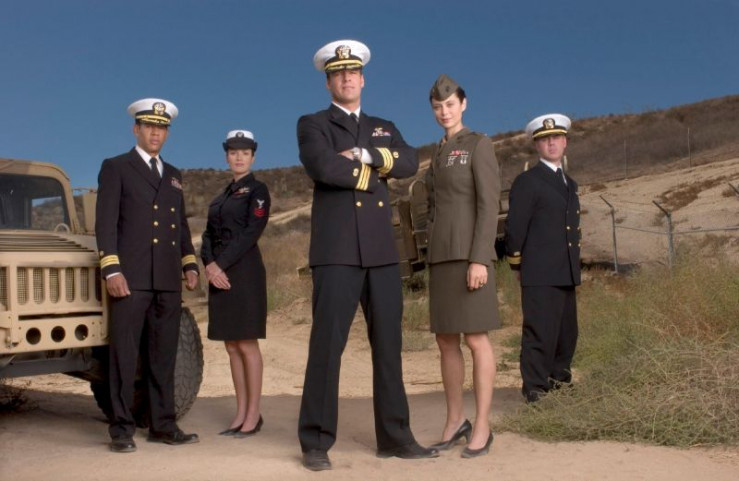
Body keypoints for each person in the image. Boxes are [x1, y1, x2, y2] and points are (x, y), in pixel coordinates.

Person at [296, 39, 438, 471]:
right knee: (327, 347)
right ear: (328, 83)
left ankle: (394, 436)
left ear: (363, 79)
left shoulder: (382, 126)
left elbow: (410, 161)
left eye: (353, 72)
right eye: (338, 74)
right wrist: (375, 174)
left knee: (389, 347)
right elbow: (323, 167)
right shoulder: (313, 124)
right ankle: (315, 441)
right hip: (336, 251)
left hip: (380, 252)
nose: (347, 78)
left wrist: (365, 155)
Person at [96, 98, 200, 453]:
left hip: (167, 280)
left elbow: (180, 224)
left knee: (163, 356)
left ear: (167, 133)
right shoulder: (116, 167)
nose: (156, 133)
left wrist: (189, 263)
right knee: (124, 356)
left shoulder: (173, 174)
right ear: (136, 129)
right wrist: (112, 268)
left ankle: (163, 425)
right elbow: (105, 223)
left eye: (162, 128)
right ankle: (121, 429)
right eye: (150, 127)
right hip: (131, 277)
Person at [425, 74, 501, 458]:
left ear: (463, 104)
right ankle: (455, 420)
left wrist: (480, 258)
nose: (444, 112)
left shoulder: (478, 144)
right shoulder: (437, 152)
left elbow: (489, 205)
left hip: (470, 256)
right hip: (440, 256)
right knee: (445, 340)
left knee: (476, 339)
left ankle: (483, 425)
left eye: (450, 104)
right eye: (438, 107)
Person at [504, 113, 581, 403]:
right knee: (540, 332)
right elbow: (515, 227)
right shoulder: (528, 181)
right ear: (537, 145)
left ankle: (559, 381)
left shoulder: (569, 183)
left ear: (565, 142)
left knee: (566, 333)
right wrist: (517, 263)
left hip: (565, 270)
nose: (552, 143)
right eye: (545, 139)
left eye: (556, 137)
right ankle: (535, 387)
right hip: (539, 270)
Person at [201, 130, 270, 438]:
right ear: (226, 156)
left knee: (246, 343)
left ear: (253, 157)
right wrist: (208, 264)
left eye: (244, 152)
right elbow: (207, 235)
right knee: (231, 345)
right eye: (233, 152)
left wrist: (220, 264)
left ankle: (253, 414)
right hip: (218, 273)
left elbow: (251, 233)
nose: (239, 157)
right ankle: (240, 412)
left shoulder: (258, 190)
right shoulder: (221, 197)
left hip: (243, 272)